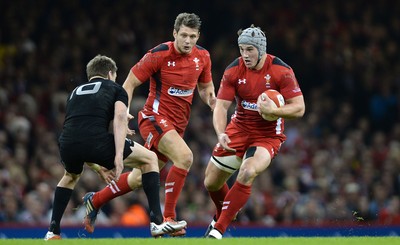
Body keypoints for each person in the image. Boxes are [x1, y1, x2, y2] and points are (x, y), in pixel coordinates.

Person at [82, 13, 216, 237]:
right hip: (153, 118)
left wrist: (212, 100)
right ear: (174, 34)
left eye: (192, 36)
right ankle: (169, 218)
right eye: (183, 35)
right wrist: (122, 116)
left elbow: (205, 88)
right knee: (185, 157)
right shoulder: (159, 54)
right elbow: (129, 83)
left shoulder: (203, 56)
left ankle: (94, 200)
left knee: (138, 177)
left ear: (198, 36)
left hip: (177, 125)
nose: (187, 41)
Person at [44, 55, 186, 240]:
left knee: (70, 177)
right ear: (110, 74)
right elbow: (119, 117)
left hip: (67, 143)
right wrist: (118, 156)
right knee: (149, 159)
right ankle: (157, 223)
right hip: (97, 142)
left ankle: (53, 231)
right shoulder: (115, 88)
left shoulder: (75, 92)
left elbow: (80, 133)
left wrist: (97, 169)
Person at [203, 25, 305, 239]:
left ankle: (218, 228)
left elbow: (299, 108)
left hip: (267, 136)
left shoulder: (281, 70)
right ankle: (229, 209)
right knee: (211, 182)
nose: (245, 55)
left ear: (261, 49)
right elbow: (221, 107)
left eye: (250, 49)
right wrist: (221, 133)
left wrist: (274, 111)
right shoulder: (233, 70)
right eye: (241, 49)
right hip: (238, 129)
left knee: (248, 172)